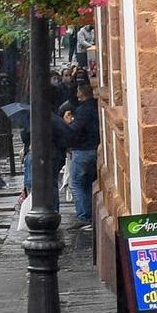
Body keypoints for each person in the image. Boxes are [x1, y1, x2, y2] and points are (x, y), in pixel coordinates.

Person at [63, 79, 100, 229]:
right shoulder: (95, 106)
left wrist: (68, 123)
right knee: (88, 183)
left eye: (78, 90)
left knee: (76, 183)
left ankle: (84, 217)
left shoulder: (83, 110)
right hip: (94, 149)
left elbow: (75, 130)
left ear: (81, 92)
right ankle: (90, 214)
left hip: (83, 151)